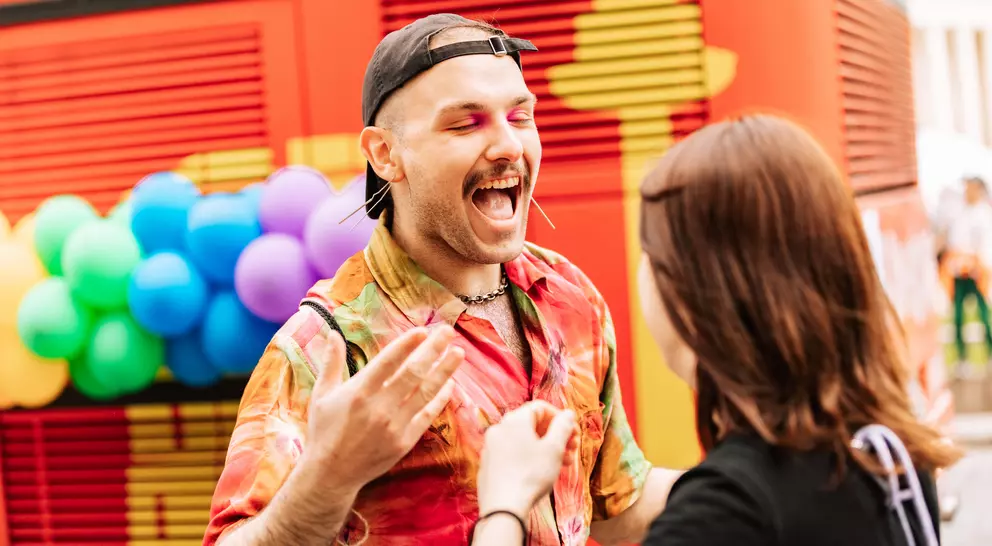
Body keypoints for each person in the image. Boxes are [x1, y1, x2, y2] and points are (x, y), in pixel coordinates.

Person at [203, 13, 679, 546]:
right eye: (465, 124)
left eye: (520, 117)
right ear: (385, 155)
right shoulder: (327, 347)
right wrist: (326, 480)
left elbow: (618, 508)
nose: (508, 146)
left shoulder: (568, 295)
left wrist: (742, 475)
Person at [469, 115, 964, 545]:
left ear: (695, 295)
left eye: (651, 253)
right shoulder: (890, 451)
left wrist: (505, 508)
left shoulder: (720, 518)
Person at [938, 176, 992, 376]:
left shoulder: (983, 214)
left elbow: (985, 243)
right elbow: (953, 240)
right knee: (958, 314)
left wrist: (979, 264)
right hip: (959, 271)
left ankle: (989, 350)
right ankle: (962, 356)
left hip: (977, 271)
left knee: (983, 312)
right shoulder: (959, 213)